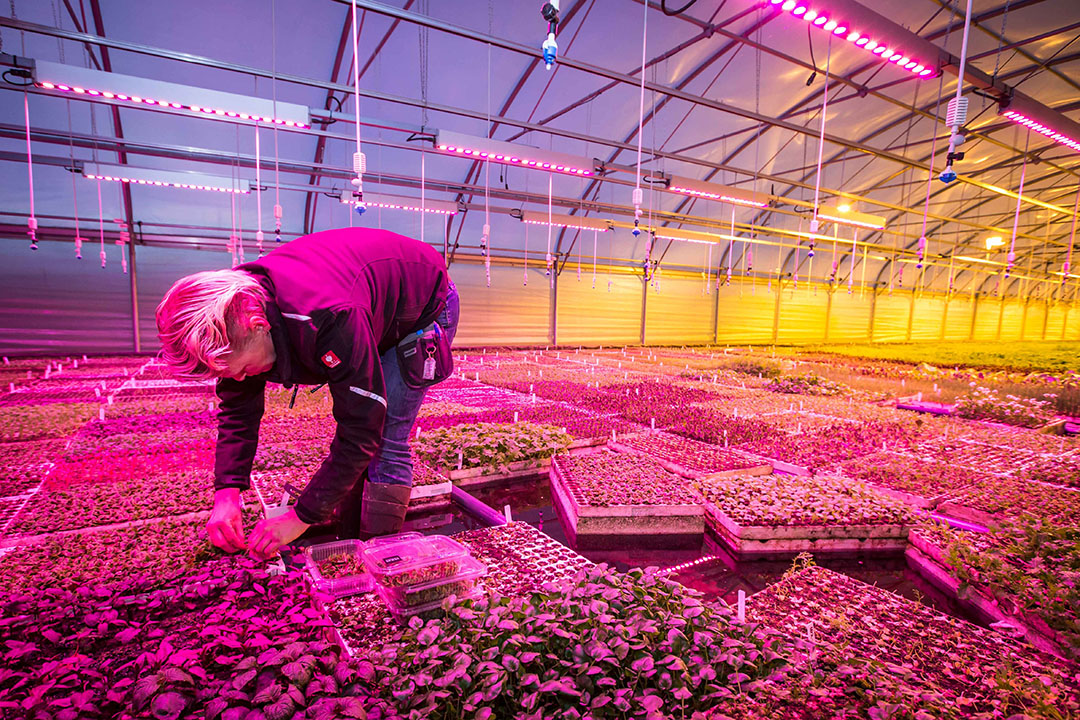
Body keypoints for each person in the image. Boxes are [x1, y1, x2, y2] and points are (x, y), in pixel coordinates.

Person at [155, 228, 458, 559]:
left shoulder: (330, 315)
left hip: (420, 305)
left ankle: (381, 555)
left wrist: (300, 518)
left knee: (385, 437)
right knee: (363, 431)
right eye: (232, 374)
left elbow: (361, 426)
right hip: (365, 303)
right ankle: (351, 532)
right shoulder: (232, 308)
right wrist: (227, 492)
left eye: (242, 368)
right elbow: (238, 411)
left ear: (258, 324)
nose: (241, 379)